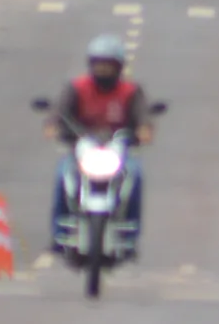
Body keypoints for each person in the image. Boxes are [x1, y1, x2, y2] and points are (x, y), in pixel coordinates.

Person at [48, 34, 152, 253]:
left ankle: (130, 236)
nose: (103, 70)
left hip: (117, 150)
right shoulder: (76, 87)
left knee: (135, 175)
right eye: (99, 65)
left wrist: (143, 130)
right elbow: (59, 112)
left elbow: (143, 118)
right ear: (91, 64)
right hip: (83, 149)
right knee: (62, 174)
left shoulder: (131, 92)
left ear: (119, 67)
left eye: (108, 65)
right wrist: (54, 125)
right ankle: (60, 233)